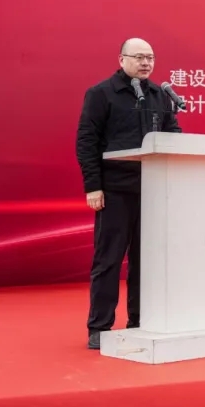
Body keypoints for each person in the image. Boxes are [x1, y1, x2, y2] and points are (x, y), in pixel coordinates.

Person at [75, 37, 182, 349]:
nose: (146, 63)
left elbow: (172, 133)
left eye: (150, 57)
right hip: (115, 190)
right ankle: (99, 327)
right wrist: (93, 185)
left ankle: (140, 320)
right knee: (108, 260)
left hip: (153, 191)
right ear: (121, 59)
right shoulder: (101, 94)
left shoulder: (159, 95)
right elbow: (86, 141)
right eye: (139, 57)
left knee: (146, 261)